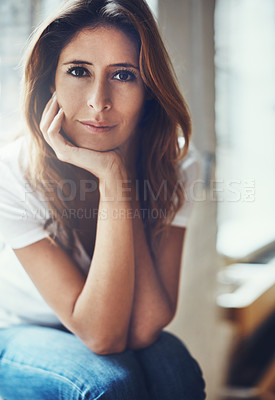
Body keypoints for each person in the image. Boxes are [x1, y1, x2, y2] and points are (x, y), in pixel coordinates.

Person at [0, 0, 206, 398]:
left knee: (174, 366)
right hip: (18, 328)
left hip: (108, 322)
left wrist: (119, 176)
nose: (99, 100)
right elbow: (102, 337)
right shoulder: (12, 173)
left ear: (149, 89)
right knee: (106, 383)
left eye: (124, 75)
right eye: (79, 71)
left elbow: (146, 324)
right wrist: (112, 175)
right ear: (50, 82)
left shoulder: (178, 165)